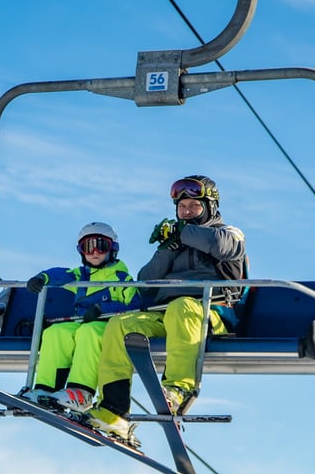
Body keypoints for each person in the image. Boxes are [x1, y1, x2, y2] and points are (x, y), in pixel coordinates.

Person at [83, 175, 246, 443]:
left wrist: (182, 233)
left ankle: (178, 389)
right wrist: (168, 249)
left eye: (193, 206)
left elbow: (220, 246)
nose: (187, 213)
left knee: (183, 306)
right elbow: (146, 284)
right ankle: (113, 410)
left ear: (210, 206)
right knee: (120, 324)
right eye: (182, 208)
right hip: (167, 314)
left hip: (210, 313)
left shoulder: (229, 233)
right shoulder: (175, 242)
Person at [17, 222, 140, 412]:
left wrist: (102, 309)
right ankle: (46, 389)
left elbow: (135, 307)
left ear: (112, 248)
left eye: (101, 245)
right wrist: (42, 278)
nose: (95, 252)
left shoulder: (122, 279)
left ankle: (81, 392)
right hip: (82, 323)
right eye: (88, 247)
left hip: (107, 327)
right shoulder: (81, 276)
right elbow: (59, 274)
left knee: (89, 332)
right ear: (81, 251)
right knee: (56, 332)